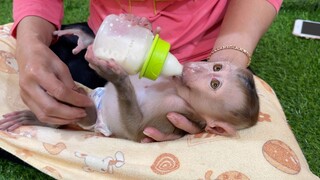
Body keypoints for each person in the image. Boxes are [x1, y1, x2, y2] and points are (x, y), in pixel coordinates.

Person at [11, 0, 282, 142]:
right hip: (106, 34)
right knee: (40, 82)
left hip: (111, 98)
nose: (202, 70)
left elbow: (132, 124)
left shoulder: (175, 112)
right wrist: (30, 43)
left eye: (213, 83)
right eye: (217, 68)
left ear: (216, 127)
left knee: (59, 110)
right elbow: (138, 63)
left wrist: (228, 55)